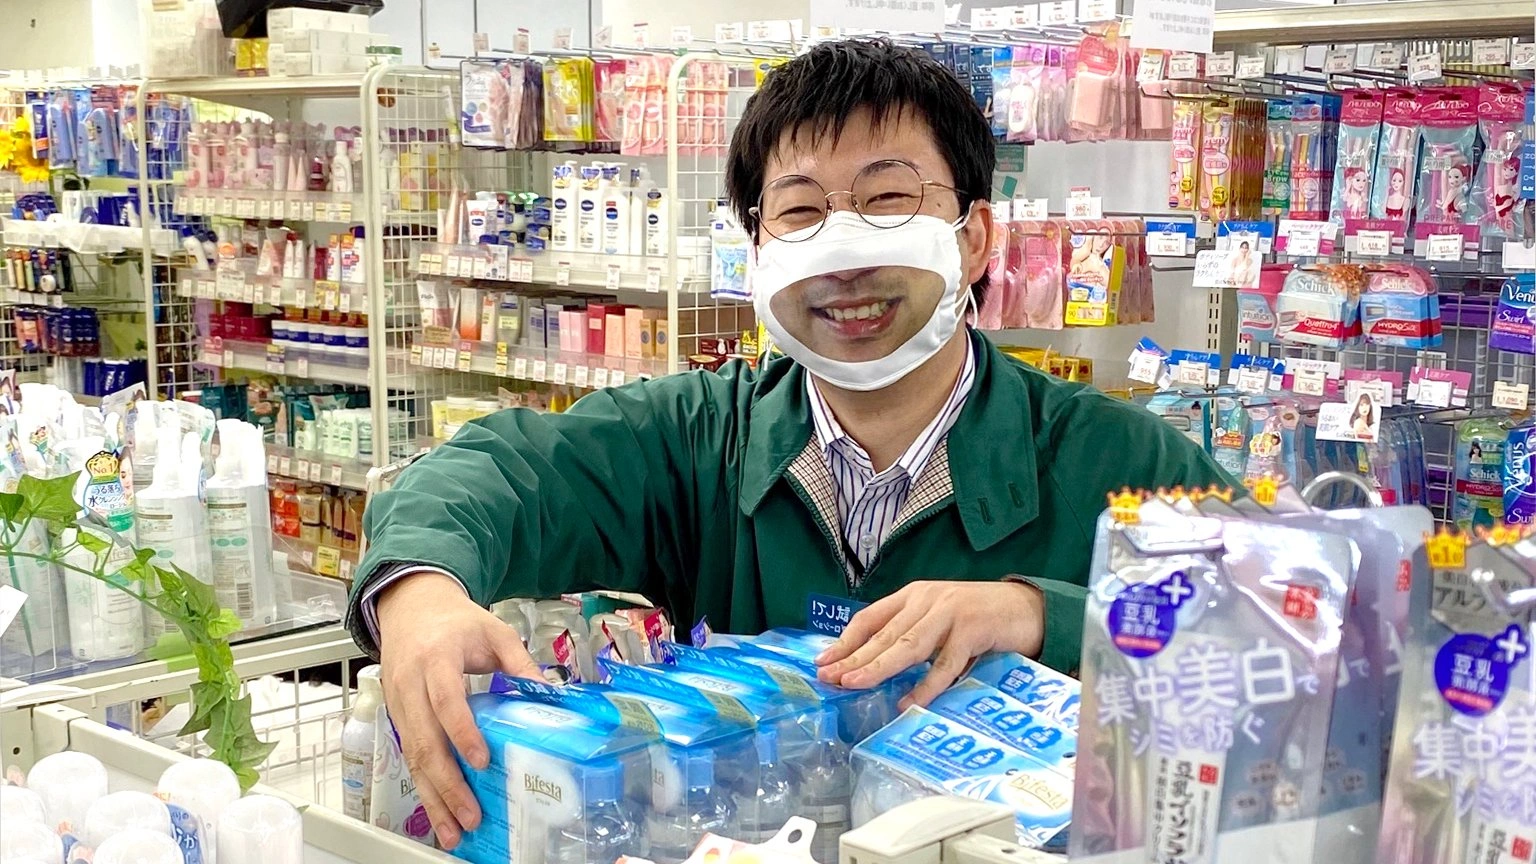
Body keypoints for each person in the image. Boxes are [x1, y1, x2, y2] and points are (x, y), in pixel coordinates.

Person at [347, 39, 1229, 848]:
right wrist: (419, 593)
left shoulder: (1122, 464)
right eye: (801, 212)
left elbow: (1272, 647)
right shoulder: (702, 438)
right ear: (757, 252)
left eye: (887, 199)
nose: (843, 257)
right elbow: (501, 468)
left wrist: (1041, 615)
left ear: (975, 240)